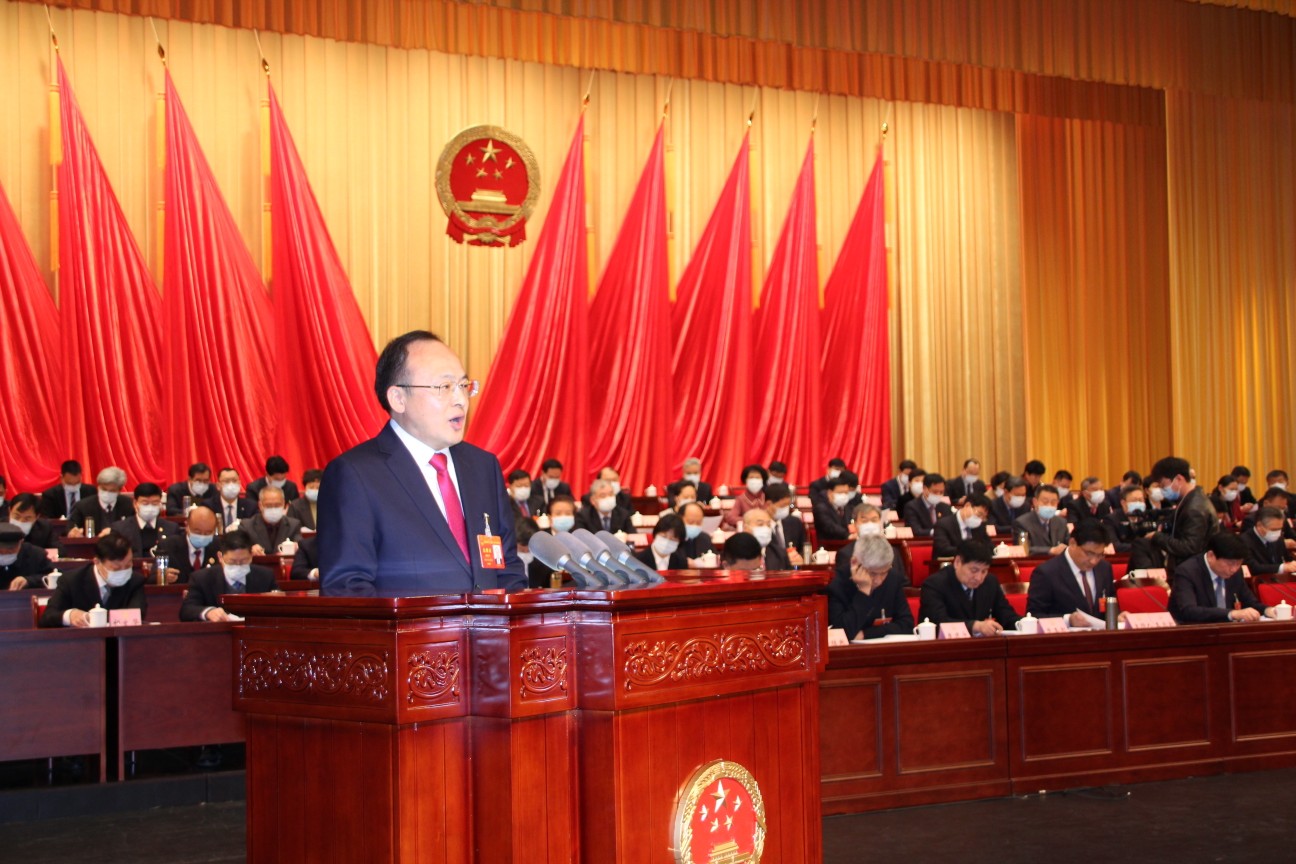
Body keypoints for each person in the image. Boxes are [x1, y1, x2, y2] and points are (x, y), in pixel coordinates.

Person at [318, 331, 525, 596]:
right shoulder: (355, 475)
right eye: (444, 387)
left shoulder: (483, 467)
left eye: (463, 386)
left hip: (488, 625)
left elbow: (507, 569)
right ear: (398, 399)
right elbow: (347, 590)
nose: (461, 400)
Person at [40, 531, 146, 627]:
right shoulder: (71, 580)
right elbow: (47, 617)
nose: (123, 571)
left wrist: (94, 618)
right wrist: (69, 615)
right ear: (97, 562)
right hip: (82, 640)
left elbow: (137, 614)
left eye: (128, 565)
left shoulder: (135, 581)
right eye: (116, 568)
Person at [918, 540, 1020, 635]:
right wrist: (975, 626)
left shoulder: (990, 582)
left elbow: (1006, 615)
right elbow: (938, 622)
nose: (979, 577)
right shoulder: (934, 584)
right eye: (974, 570)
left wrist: (1022, 623)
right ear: (958, 562)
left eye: (984, 571)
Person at [1170, 533, 1275, 624]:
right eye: (1230, 563)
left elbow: (1249, 602)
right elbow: (1189, 611)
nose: (1234, 569)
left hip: (1228, 631)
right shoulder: (1187, 572)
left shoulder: (1236, 571)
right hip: (1193, 632)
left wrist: (1267, 610)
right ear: (1211, 556)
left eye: (1238, 564)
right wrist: (1231, 614)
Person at [826, 535, 914, 640]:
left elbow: (907, 624)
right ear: (854, 563)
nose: (878, 580)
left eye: (884, 573)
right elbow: (839, 632)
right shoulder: (837, 584)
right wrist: (863, 592)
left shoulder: (893, 578)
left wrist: (866, 634)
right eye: (872, 573)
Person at [1026, 522, 1115, 624]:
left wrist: (1118, 615)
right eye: (1089, 553)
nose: (1094, 561)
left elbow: (1109, 603)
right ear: (1072, 543)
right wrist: (1067, 620)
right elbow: (1034, 616)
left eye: (1099, 555)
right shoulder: (1046, 573)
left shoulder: (1104, 568)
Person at [180, 530, 279, 622]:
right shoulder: (202, 578)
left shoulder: (265, 576)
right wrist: (208, 612)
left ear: (251, 556)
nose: (238, 565)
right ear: (220, 557)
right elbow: (187, 610)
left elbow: (278, 605)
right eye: (232, 561)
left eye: (244, 561)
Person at [1149, 456, 1219, 574]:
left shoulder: (1194, 508)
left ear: (1179, 479)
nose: (1162, 490)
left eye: (1163, 485)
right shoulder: (1189, 500)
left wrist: (1157, 537)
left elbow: (1190, 547)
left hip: (1194, 572)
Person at [834, 504, 908, 586]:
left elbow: (903, 582)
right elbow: (843, 585)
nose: (870, 524)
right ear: (855, 524)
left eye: (874, 520)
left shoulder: (893, 551)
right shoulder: (845, 553)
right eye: (864, 521)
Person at [154, 506, 221, 584]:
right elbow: (152, 577)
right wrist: (163, 576)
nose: (202, 536)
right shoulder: (168, 546)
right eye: (198, 532)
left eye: (208, 533)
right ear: (187, 525)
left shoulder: (219, 546)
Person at [108, 482, 175, 557]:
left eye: (155, 503)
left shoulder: (172, 528)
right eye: (145, 503)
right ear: (135, 503)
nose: (150, 507)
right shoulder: (120, 529)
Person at [66, 466, 135, 536]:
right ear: (98, 487)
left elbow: (134, 528)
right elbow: (71, 526)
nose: (107, 493)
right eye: (104, 489)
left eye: (112, 491)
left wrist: (114, 531)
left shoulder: (128, 504)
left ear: (119, 490)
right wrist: (73, 532)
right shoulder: (83, 506)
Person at [240, 486, 303, 556]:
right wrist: (250, 549)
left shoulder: (293, 525)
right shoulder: (247, 525)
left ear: (283, 504)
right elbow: (240, 548)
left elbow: (300, 545)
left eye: (277, 505)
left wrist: (296, 547)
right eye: (268, 505)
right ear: (260, 505)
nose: (273, 509)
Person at [1239, 506, 1296, 576]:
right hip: (1259, 579)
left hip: (1279, 578)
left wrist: (1292, 564)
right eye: (1274, 529)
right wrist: (1282, 568)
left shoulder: (1278, 537)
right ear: (1259, 525)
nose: (1278, 533)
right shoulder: (1243, 541)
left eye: (1280, 529)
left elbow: (1286, 558)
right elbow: (1253, 567)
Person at [1014, 484, 1069, 556]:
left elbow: (1069, 545)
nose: (1049, 505)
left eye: (1053, 502)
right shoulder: (1021, 523)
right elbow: (1022, 549)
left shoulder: (1061, 522)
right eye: (1045, 502)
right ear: (1035, 502)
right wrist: (1051, 550)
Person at [932, 493, 992, 558]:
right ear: (967, 505)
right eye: (979, 514)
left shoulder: (980, 526)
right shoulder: (943, 524)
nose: (980, 519)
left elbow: (989, 547)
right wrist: (970, 551)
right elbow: (943, 549)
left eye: (983, 517)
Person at [1, 523, 55, 590]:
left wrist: (29, 581)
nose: (5, 553)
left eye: (10, 550)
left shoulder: (36, 555)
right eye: (0, 551)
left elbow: (53, 576)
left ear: (21, 542)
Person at [813, 472, 859, 541]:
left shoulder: (848, 507)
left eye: (846, 493)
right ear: (830, 493)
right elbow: (829, 527)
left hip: (848, 542)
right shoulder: (821, 508)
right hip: (830, 543)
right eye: (840, 492)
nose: (844, 496)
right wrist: (847, 535)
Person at [902, 472, 951, 538]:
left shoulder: (945, 507)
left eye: (941, 492)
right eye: (935, 492)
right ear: (925, 488)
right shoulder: (911, 507)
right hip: (921, 542)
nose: (938, 495)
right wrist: (937, 532)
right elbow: (916, 531)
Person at [764, 482, 808, 554]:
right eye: (783, 506)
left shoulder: (795, 523)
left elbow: (803, 549)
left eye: (788, 505)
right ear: (768, 504)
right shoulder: (760, 526)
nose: (786, 509)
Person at [721, 464, 769, 529]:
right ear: (745, 480)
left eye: (757, 478)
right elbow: (731, 518)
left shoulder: (767, 497)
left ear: (763, 480)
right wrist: (751, 520)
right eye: (751, 477)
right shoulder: (741, 499)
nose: (754, 480)